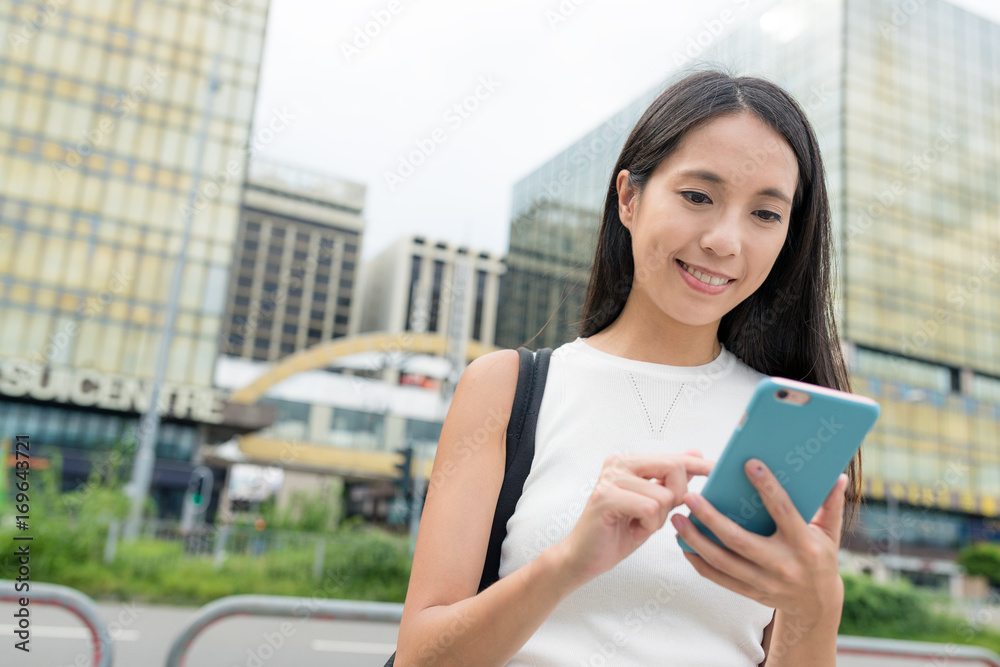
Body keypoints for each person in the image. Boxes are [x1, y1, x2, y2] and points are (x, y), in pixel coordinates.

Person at [394, 69, 861, 666]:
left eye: (765, 214)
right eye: (698, 196)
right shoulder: (508, 389)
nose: (725, 241)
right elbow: (419, 658)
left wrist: (815, 608)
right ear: (629, 198)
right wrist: (567, 563)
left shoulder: (793, 423)